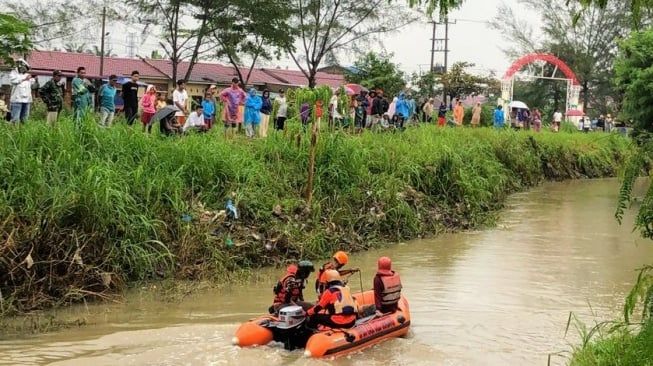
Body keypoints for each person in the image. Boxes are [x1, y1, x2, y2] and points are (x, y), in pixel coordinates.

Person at [9, 59, 36, 123]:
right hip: (17, 100)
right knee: (15, 120)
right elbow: (13, 81)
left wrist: (33, 78)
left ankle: (22, 132)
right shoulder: (13, 73)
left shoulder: (27, 75)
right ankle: (14, 132)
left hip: (27, 100)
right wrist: (24, 79)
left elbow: (33, 83)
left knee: (24, 119)